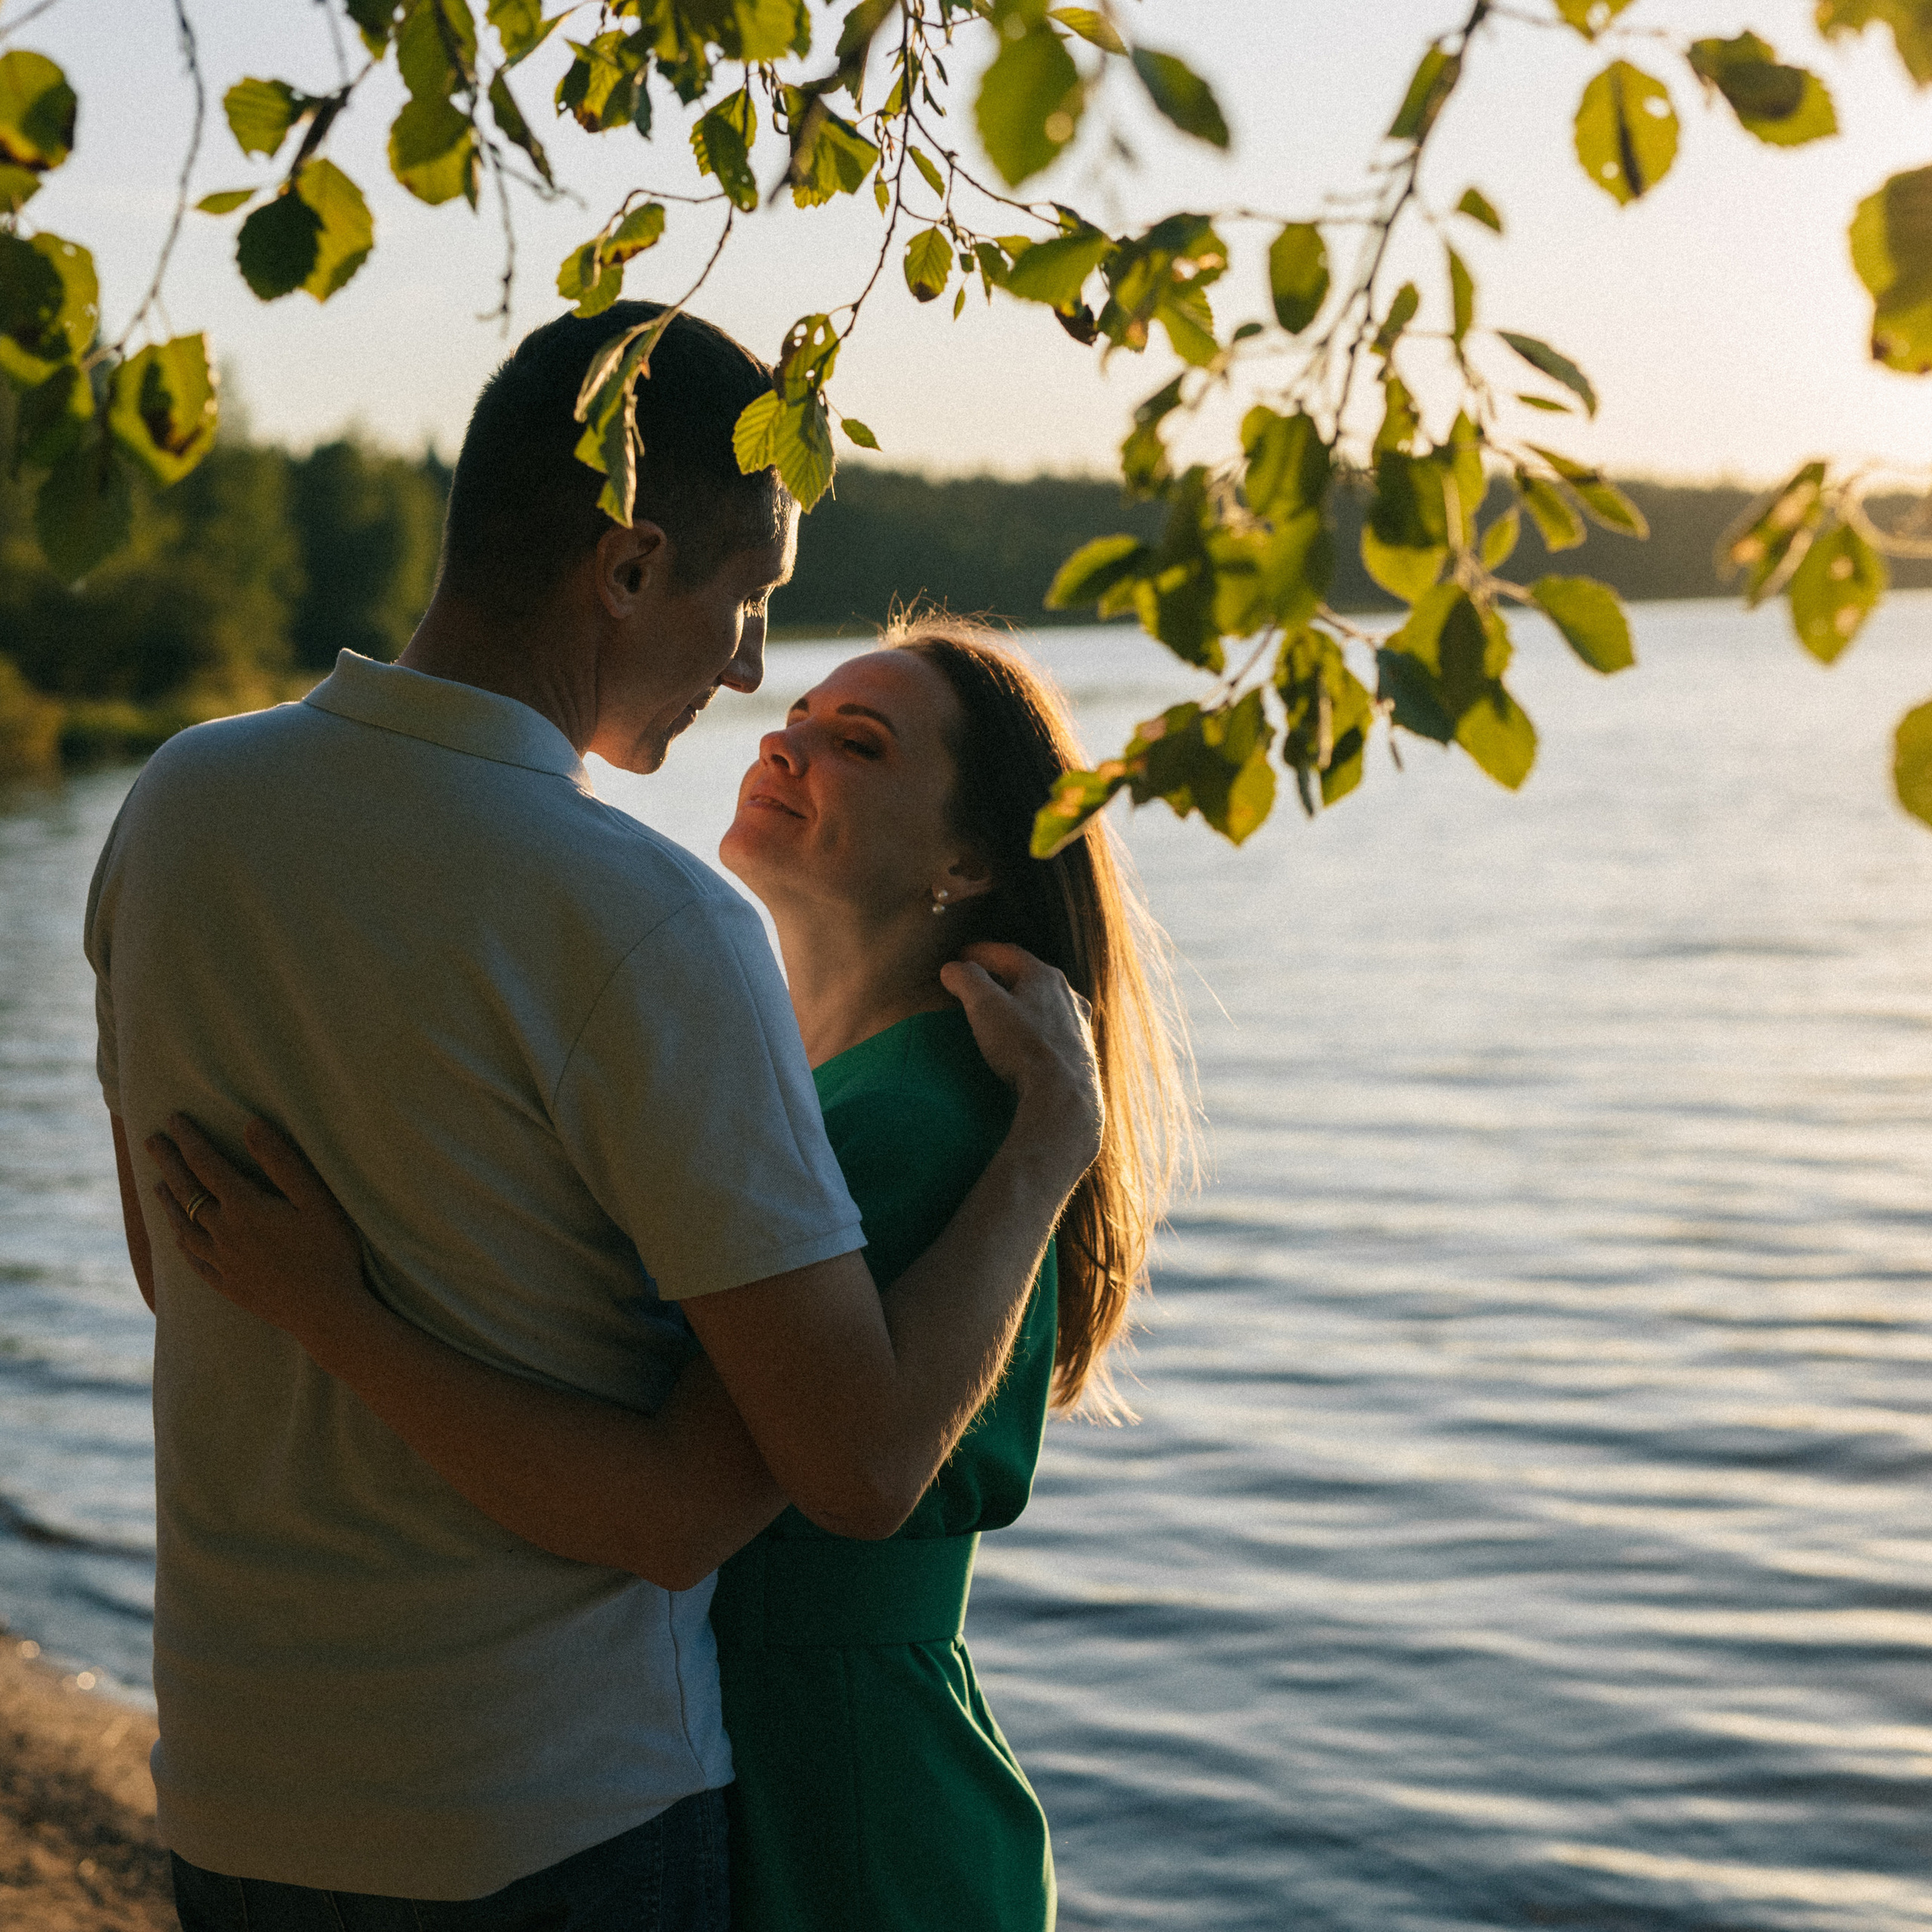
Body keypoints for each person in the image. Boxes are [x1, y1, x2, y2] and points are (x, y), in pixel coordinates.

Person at [85, 303, 1102, 1930]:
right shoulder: (646, 920)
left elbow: (174, 1260)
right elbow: (753, 1491)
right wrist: (1052, 1149)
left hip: (241, 1775)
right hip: (544, 1809)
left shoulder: (177, 806)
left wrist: (342, 1306)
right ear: (626, 571)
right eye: (747, 600)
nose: (750, 671)